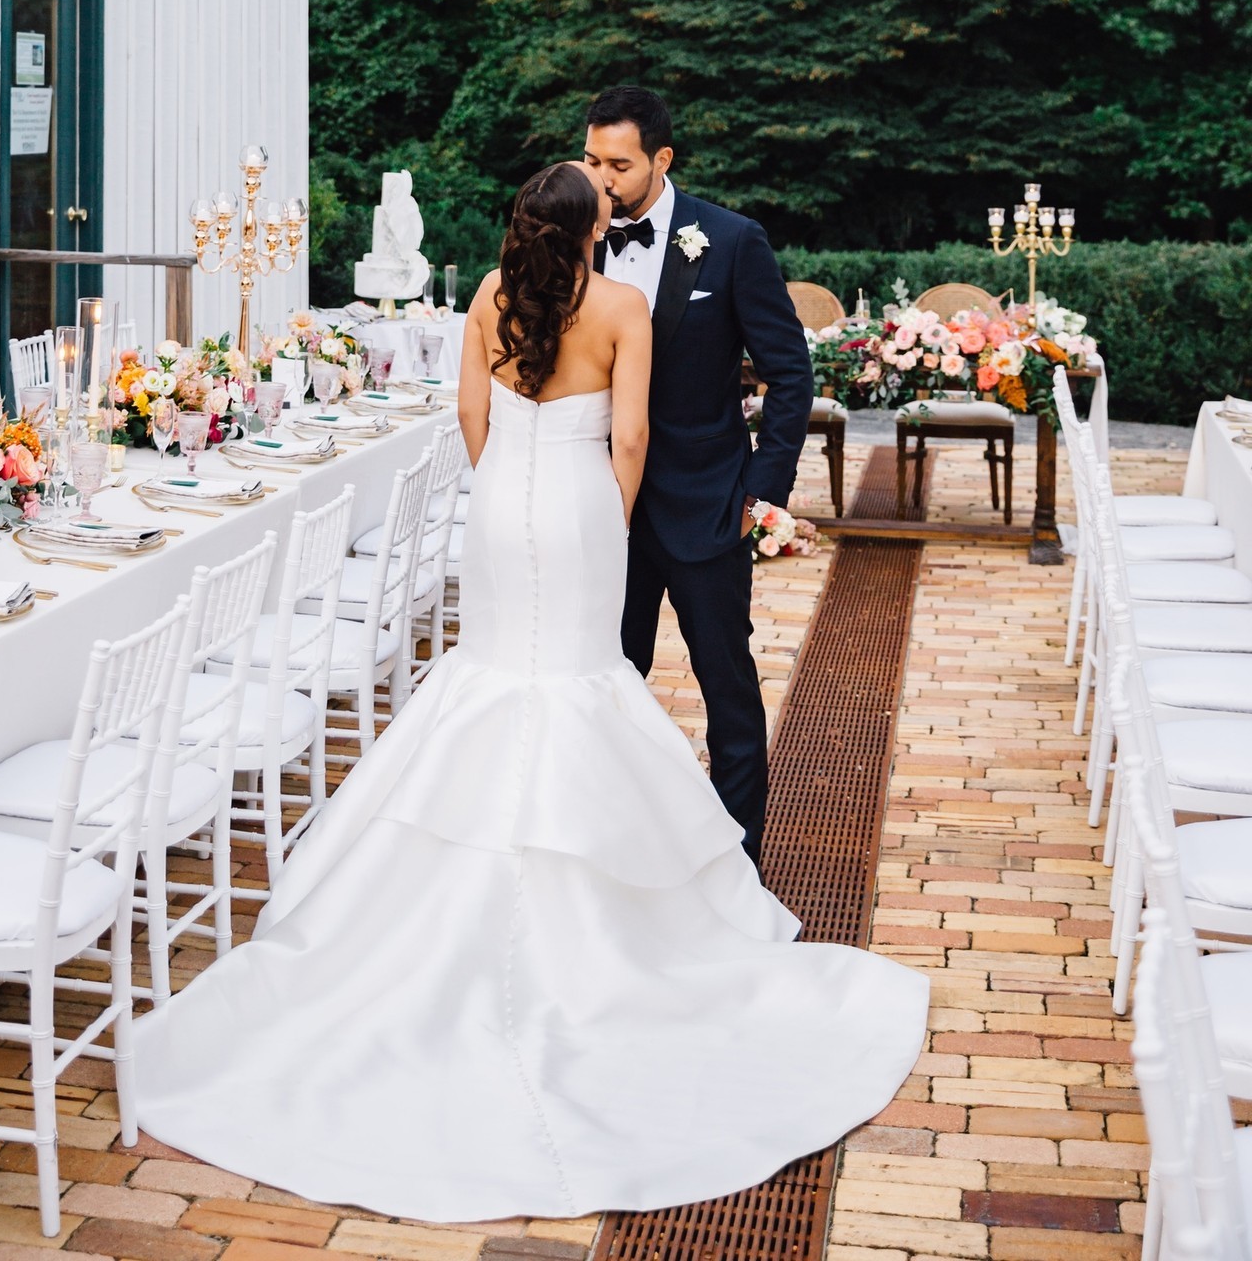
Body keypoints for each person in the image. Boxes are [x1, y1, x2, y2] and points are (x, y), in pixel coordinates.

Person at [132, 160, 927, 1223]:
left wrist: (508, 483)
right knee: (582, 683)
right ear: (591, 228)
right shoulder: (622, 305)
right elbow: (632, 435)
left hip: (500, 505)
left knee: (492, 677)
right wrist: (605, 506)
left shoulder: (485, 300)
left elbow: (471, 418)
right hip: (587, 507)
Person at [585, 86, 813, 858]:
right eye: (592, 159)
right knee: (607, 689)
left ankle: (738, 862)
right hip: (603, 509)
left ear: (662, 159)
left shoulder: (732, 239)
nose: (603, 178)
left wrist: (762, 496)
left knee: (728, 688)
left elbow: (791, 374)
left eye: (619, 163)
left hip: (707, 503)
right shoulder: (574, 239)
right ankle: (616, 847)